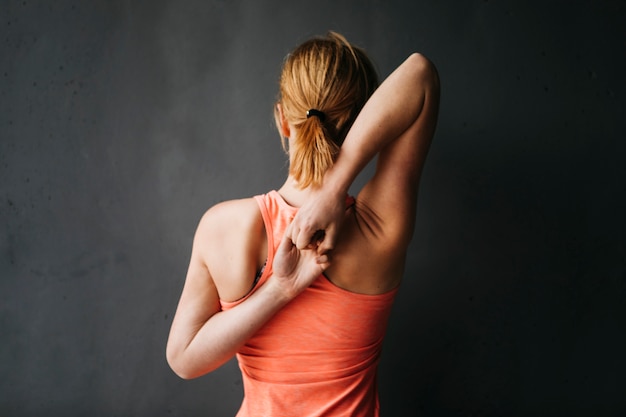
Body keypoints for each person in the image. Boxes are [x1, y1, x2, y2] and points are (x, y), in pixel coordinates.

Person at [166, 31, 440, 417]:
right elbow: (420, 74)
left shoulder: (223, 227)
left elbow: (183, 360)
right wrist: (282, 287)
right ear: (367, 122)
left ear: (282, 119)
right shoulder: (377, 229)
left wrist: (277, 291)